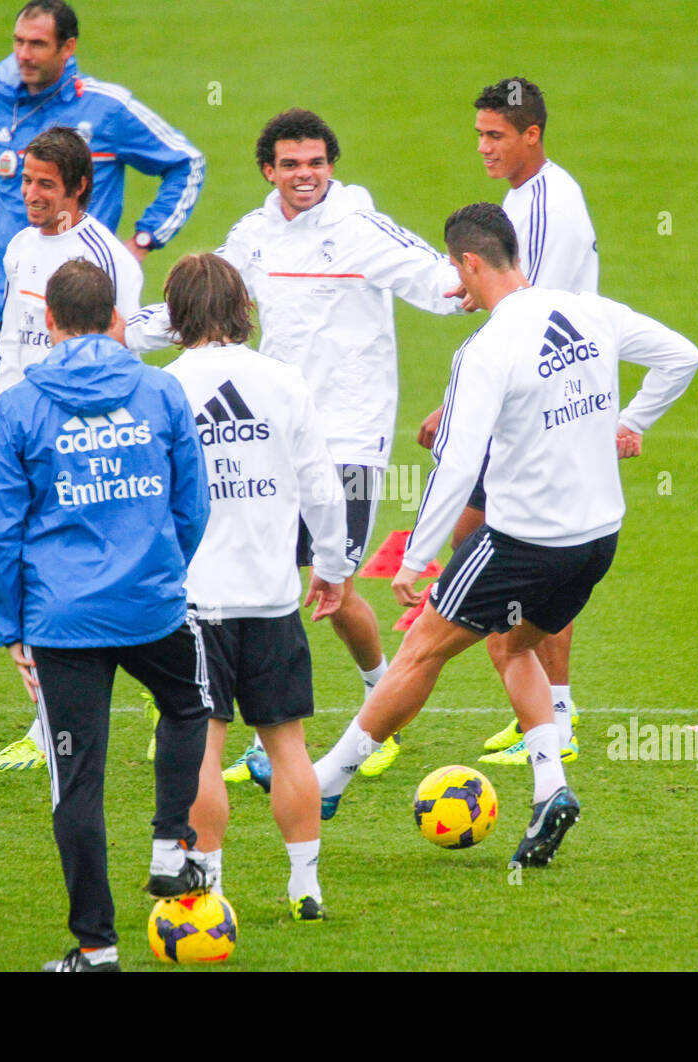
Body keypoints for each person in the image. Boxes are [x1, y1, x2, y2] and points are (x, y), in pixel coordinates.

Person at [313, 203, 698, 871]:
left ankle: (327, 781)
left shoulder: (487, 349)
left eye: (453, 272)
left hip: (521, 540)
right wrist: (630, 422)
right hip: (597, 538)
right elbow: (682, 355)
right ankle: (551, 787)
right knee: (513, 645)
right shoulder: (590, 311)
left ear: (469, 263)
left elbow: (457, 464)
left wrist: (420, 554)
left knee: (421, 652)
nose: (453, 287)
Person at [126, 108, 464, 783]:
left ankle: (371, 702)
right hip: (272, 429)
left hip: (351, 438)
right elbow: (198, 303)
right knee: (275, 581)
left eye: (315, 163)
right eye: (290, 164)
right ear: (268, 170)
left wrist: (488, 292)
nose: (304, 175)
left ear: (330, 166)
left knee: (328, 582)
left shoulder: (362, 229)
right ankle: (277, 718)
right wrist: (115, 334)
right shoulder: (253, 238)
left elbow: (443, 282)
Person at [0, 0, 204, 629]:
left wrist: (146, 236)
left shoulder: (107, 113)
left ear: (69, 48)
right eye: (17, 41)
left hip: (83, 322)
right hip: (5, 307)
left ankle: (96, 581)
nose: (24, 54)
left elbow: (186, 162)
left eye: (37, 43)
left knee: (79, 469)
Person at [0, 259, 212, 972]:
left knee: (76, 780)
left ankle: (96, 948)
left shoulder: (19, 405)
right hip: (151, 602)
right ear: (116, 317)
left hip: (60, 620)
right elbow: (192, 504)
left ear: (48, 322)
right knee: (188, 702)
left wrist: (11, 626)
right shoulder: (160, 389)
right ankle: (172, 846)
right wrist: (162, 564)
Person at [160, 253, 353, 922]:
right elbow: (323, 489)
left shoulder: (164, 387)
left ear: (177, 310)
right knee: (287, 743)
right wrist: (333, 566)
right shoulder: (284, 379)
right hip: (274, 596)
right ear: (241, 305)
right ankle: (306, 887)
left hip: (195, 601)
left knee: (201, 745)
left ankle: (206, 888)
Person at [416, 77, 600, 766]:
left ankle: (551, 719)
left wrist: (456, 407)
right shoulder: (523, 198)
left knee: (500, 545)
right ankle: (548, 715)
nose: (484, 147)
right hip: (538, 399)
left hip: (545, 406)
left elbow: (531, 316)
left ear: (533, 134)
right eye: (480, 134)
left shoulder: (549, 205)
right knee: (489, 540)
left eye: (496, 135)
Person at [0, 125, 144, 771]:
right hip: (19, 431)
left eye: (46, 184)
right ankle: (46, 728)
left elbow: (121, 353)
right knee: (13, 560)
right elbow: (12, 348)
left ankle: (155, 689)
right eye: (26, 180)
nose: (31, 193)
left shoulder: (109, 257)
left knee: (75, 572)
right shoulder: (16, 246)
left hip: (77, 441)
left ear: (79, 188)